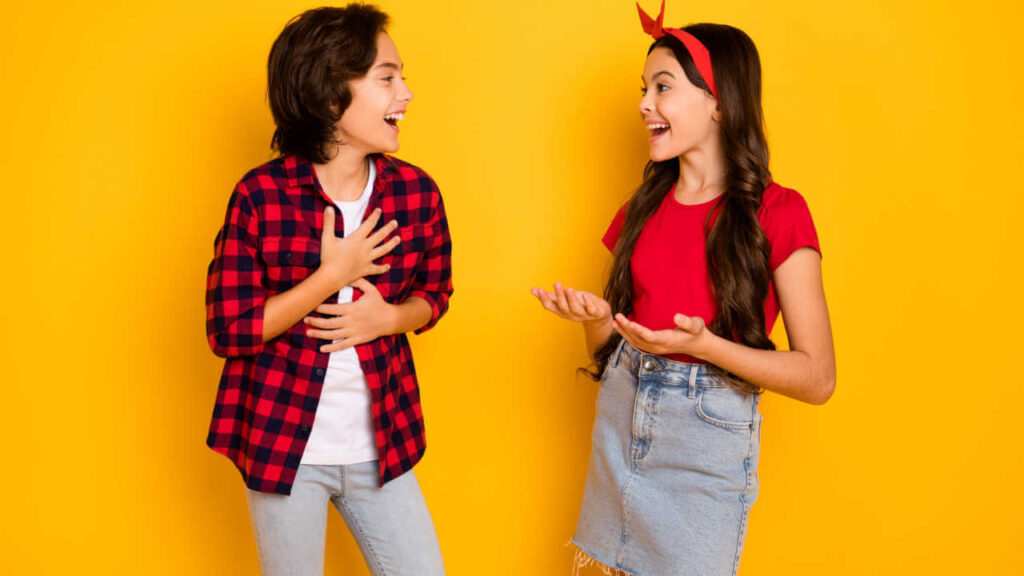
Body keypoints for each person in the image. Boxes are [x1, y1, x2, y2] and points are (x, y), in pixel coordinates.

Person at [531, 2, 835, 574]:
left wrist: (705, 347)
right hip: (619, 432)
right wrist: (595, 319)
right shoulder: (638, 212)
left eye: (662, 87)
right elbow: (607, 356)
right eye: (644, 88)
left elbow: (818, 379)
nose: (644, 104)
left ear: (719, 102)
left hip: (704, 453)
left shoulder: (779, 212)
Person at [204, 5, 452, 575]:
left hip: (382, 445)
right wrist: (330, 278)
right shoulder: (261, 196)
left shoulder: (416, 194)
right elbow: (229, 330)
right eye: (387, 77)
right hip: (284, 448)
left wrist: (388, 319)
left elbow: (435, 295)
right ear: (328, 92)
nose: (406, 93)